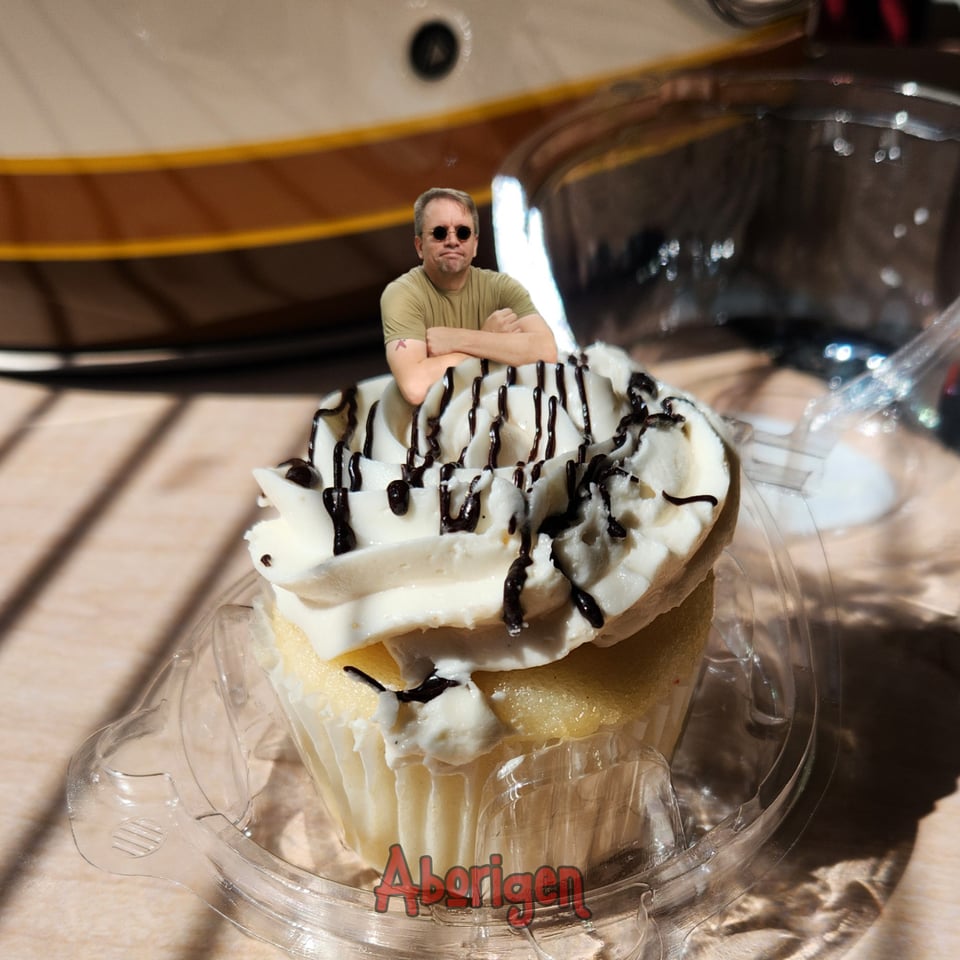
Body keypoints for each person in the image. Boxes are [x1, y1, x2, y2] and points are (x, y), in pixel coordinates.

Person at [381, 187, 558, 405]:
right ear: (419, 247)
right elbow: (416, 386)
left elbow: (546, 351)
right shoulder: (402, 294)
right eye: (440, 233)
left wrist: (459, 339)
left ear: (474, 245)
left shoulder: (502, 287)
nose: (453, 241)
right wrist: (494, 343)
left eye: (463, 233)